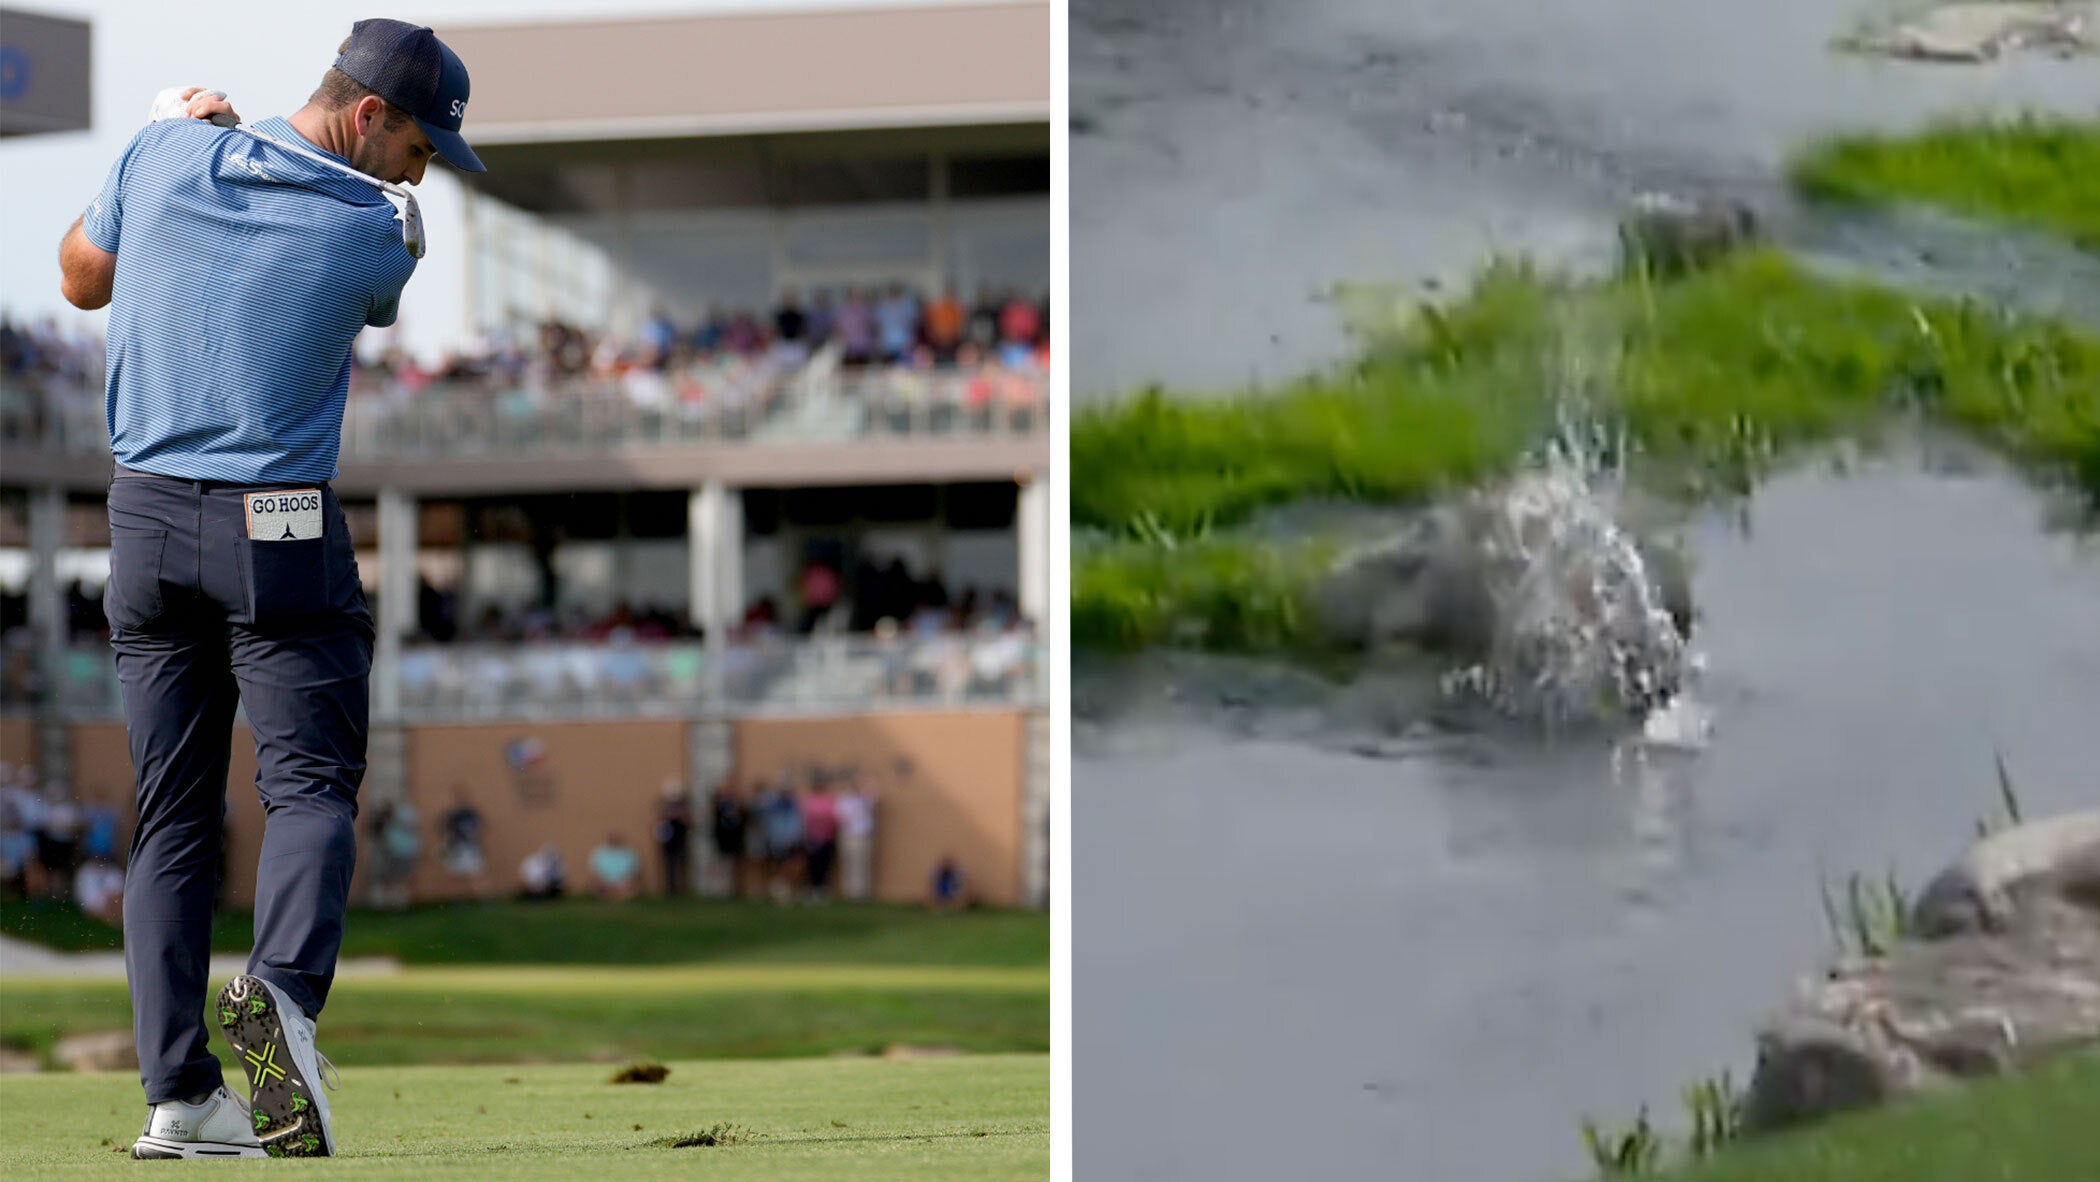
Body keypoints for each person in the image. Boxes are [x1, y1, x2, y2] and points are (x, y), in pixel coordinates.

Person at [60, 19, 485, 1160]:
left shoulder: (163, 154)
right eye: (421, 144)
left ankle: (178, 1099)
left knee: (172, 817)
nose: (420, 168)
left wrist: (165, 138)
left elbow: (81, 278)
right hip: (277, 526)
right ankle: (282, 999)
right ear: (369, 117)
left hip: (142, 522)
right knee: (307, 789)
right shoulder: (374, 228)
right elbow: (377, 281)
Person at [438, 791, 487, 899]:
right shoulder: (451, 814)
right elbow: (443, 829)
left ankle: (483, 898)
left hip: (470, 847)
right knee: (455, 875)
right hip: (456, 848)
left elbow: (479, 827)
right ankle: (458, 899)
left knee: (476, 873)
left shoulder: (471, 813)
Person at [837, 775, 877, 902]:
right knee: (849, 863)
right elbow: (841, 815)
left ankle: (861, 893)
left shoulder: (864, 799)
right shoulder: (844, 799)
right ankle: (849, 892)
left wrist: (865, 788)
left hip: (862, 835)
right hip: (848, 835)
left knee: (861, 865)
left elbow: (873, 799)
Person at [800, 776, 840, 901]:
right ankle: (813, 887)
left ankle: (822, 888)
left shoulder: (829, 800)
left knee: (824, 864)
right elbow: (805, 819)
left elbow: (833, 818)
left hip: (826, 838)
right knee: (813, 864)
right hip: (812, 839)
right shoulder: (808, 801)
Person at [652, 780, 693, 897]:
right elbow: (656, 822)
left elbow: (690, 822)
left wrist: (681, 815)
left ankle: (683, 888)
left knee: (682, 863)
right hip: (667, 840)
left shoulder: (684, 806)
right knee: (669, 865)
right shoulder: (663, 807)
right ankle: (670, 889)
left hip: (681, 839)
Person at [709, 782, 746, 898]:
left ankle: (733, 889)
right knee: (722, 865)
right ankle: (721, 890)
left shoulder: (737, 804)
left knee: (734, 865)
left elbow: (742, 819)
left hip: (734, 839)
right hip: (722, 839)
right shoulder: (718, 804)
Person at [588, 832, 643, 901]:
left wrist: (627, 881)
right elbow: (593, 871)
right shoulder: (599, 852)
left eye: (616, 838)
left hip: (625, 882)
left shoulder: (630, 852)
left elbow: (636, 872)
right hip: (604, 882)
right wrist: (602, 882)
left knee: (631, 886)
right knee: (596, 886)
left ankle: (620, 899)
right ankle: (610, 899)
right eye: (612, 838)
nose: (614, 840)